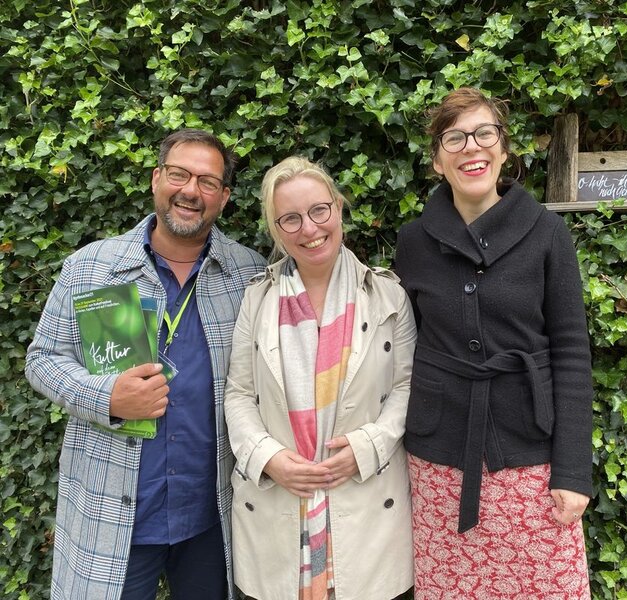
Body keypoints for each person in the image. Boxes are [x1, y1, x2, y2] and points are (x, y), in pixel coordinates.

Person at [25, 129, 268, 600]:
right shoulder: (91, 267)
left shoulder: (249, 274)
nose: (191, 191)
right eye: (179, 175)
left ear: (224, 197)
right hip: (112, 512)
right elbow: (42, 359)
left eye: (208, 182)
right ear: (157, 178)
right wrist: (106, 397)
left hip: (212, 516)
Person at [394, 87, 594, 599]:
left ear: (503, 149)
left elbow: (572, 352)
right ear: (437, 160)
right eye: (454, 138)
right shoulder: (413, 242)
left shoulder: (547, 232)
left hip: (530, 454)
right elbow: (401, 346)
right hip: (439, 459)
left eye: (484, 133)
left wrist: (574, 471)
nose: (471, 147)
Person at [224, 156, 415, 600]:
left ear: (338, 208)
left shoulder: (388, 295)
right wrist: (267, 457)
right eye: (290, 219)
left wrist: (368, 447)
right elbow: (239, 393)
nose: (309, 228)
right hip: (276, 507)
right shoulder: (258, 298)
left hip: (366, 503)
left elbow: (406, 387)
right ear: (276, 229)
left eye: (319, 210)